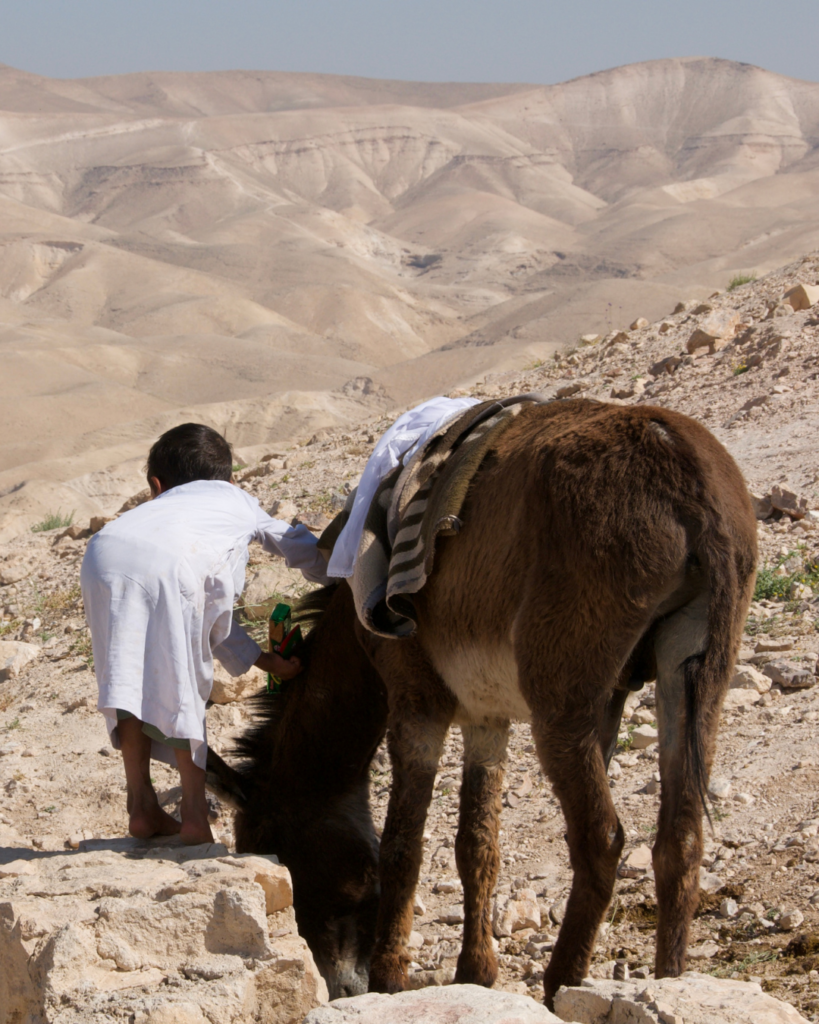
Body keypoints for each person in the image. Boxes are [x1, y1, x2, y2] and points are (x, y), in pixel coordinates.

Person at [80, 423, 331, 845]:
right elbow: (294, 546)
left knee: (125, 677)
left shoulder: (144, 515)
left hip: (104, 556)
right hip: (173, 568)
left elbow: (209, 614)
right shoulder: (235, 499)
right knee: (181, 678)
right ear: (230, 478)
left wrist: (263, 661)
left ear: (157, 486)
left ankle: (141, 806)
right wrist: (339, 575)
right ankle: (194, 815)